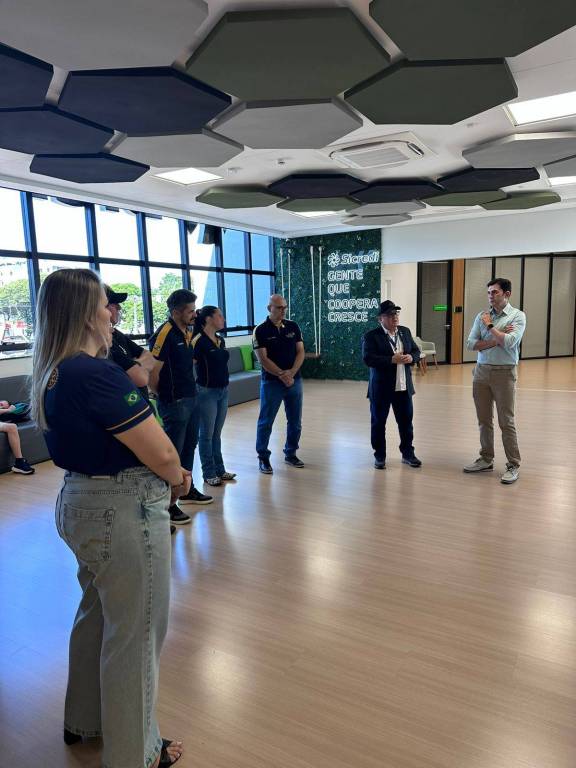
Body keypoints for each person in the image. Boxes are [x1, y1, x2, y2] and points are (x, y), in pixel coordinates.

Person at [30, 268, 189, 768]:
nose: (112, 314)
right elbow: (161, 453)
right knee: (136, 633)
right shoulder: (93, 374)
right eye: (105, 305)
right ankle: (135, 754)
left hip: (80, 502)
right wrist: (178, 478)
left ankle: (85, 721)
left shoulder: (54, 371)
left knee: (97, 614)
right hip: (121, 510)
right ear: (84, 313)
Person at [149, 289, 212, 525]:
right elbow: (153, 372)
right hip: (174, 402)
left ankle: (186, 489)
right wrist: (163, 396)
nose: (195, 314)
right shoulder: (164, 334)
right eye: (190, 311)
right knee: (173, 453)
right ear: (176, 312)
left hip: (191, 397)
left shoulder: (187, 331)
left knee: (188, 447)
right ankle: (168, 503)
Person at [464, 277, 526, 484]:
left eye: (495, 292)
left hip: (504, 372)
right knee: (483, 419)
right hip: (481, 372)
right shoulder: (481, 315)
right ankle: (486, 458)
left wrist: (490, 326)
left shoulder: (517, 316)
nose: (490, 296)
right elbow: (470, 344)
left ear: (507, 294)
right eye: (489, 292)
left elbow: (509, 342)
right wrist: (496, 339)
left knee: (506, 421)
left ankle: (513, 464)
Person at [362, 300, 422, 470]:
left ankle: (408, 454)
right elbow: (368, 359)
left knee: (406, 423)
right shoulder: (371, 336)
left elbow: (416, 351)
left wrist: (411, 358)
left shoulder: (405, 331)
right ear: (380, 319)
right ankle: (379, 456)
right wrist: (391, 360)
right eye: (389, 314)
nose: (394, 317)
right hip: (381, 389)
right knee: (378, 423)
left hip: (403, 387)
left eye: (396, 313)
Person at [253, 294, 305, 474]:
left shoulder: (293, 326)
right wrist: (282, 374)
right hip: (272, 383)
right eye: (279, 307)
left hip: (294, 381)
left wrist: (291, 373)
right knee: (266, 421)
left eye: (285, 307)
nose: (283, 311)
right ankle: (263, 457)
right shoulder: (260, 330)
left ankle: (291, 453)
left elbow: (300, 352)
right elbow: (263, 359)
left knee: (295, 421)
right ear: (270, 308)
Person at [192, 305, 236, 487]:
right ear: (208, 319)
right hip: (206, 392)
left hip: (223, 390)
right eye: (219, 316)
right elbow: (188, 365)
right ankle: (208, 472)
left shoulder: (220, 340)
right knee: (206, 435)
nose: (223, 319)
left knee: (216, 434)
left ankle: (220, 469)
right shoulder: (198, 341)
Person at [105, 284, 156, 401]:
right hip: (129, 402)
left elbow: (150, 357)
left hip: (139, 401)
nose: (119, 308)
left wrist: (134, 365)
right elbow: (141, 378)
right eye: (114, 304)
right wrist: (137, 367)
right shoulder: (103, 346)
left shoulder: (116, 334)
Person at [0, 400, 35, 474]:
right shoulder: (7, 410)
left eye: (2, 406)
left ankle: (19, 462)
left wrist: (9, 410)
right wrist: (8, 410)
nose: (1, 406)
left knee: (12, 427)